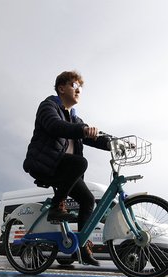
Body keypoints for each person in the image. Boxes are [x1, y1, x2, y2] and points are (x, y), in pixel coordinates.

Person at [23, 71, 110, 266]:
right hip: (44, 165)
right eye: (74, 85)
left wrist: (115, 143)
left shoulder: (75, 120)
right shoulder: (48, 105)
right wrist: (82, 131)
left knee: (88, 200)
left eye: (80, 86)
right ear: (61, 88)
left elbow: (94, 137)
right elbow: (55, 126)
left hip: (64, 169)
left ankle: (81, 249)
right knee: (80, 163)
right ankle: (56, 205)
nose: (78, 89)